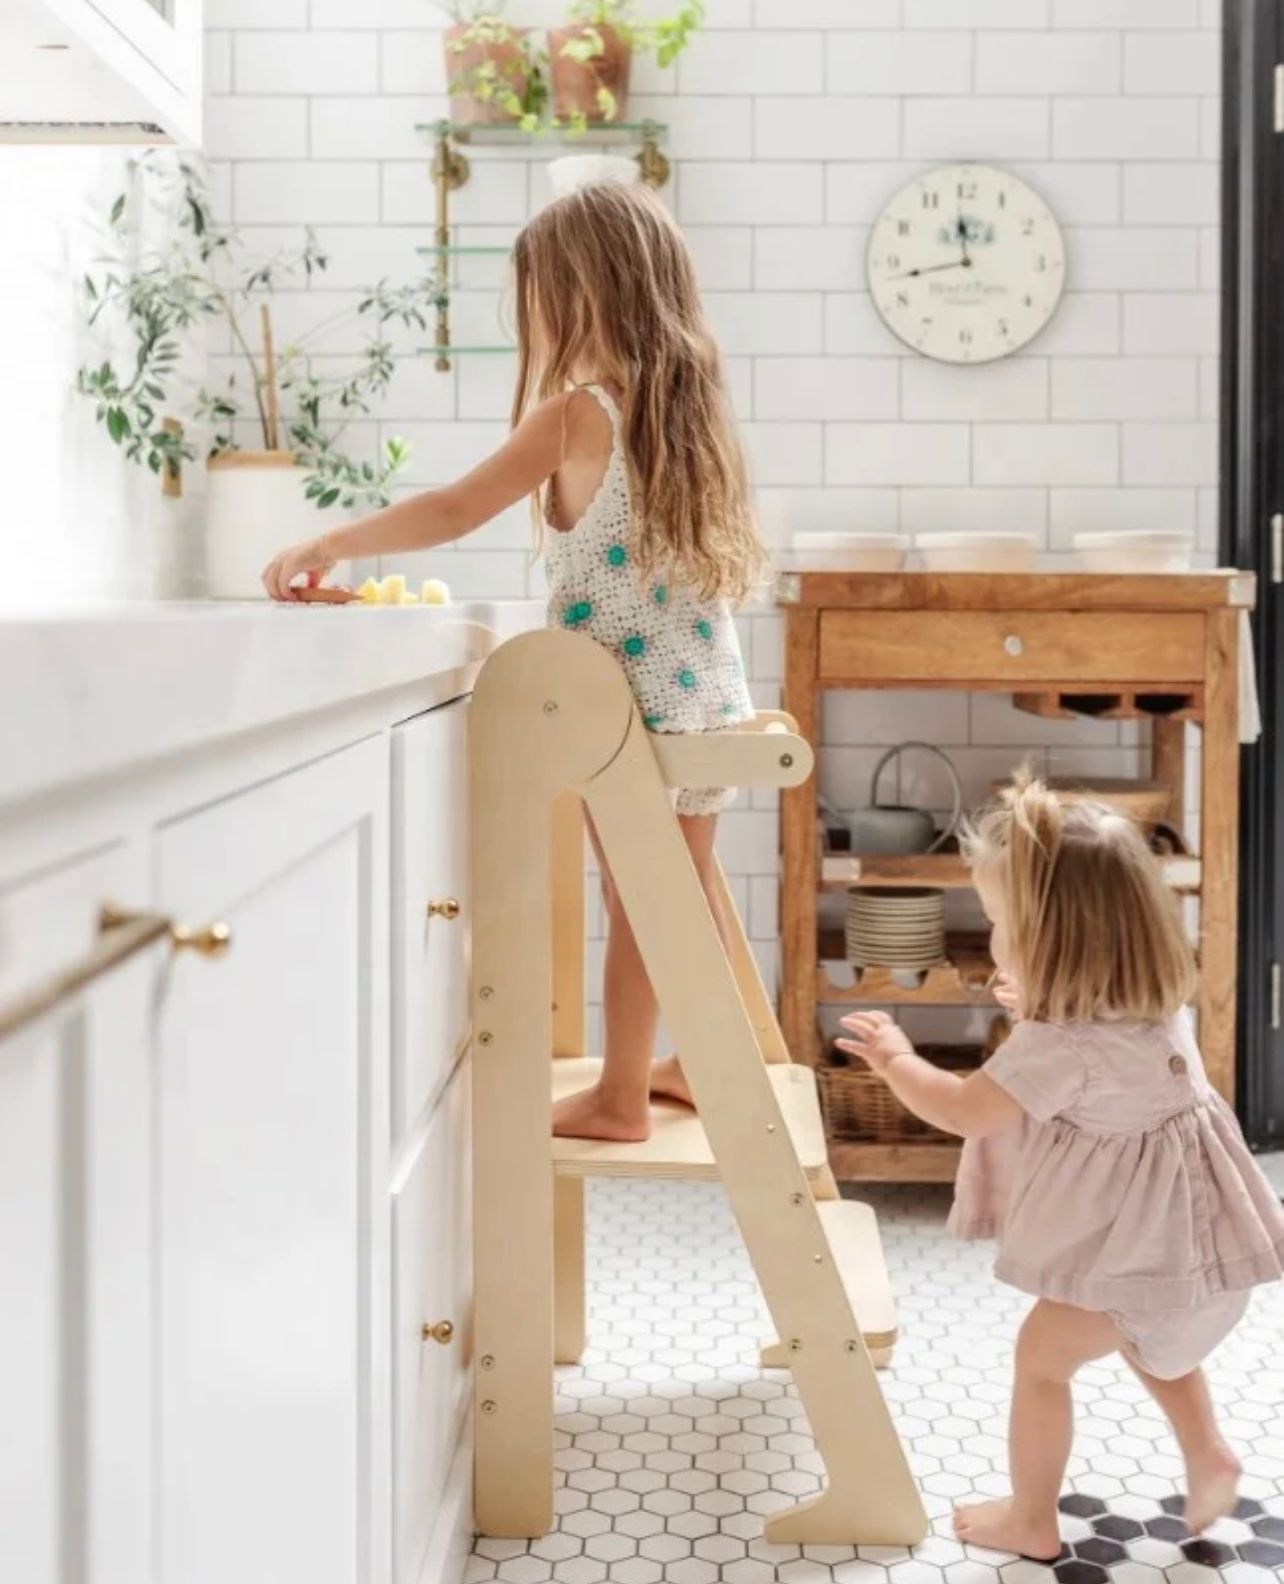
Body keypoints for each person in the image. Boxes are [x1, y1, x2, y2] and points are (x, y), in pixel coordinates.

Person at [261, 180, 764, 1143]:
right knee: (683, 891)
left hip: (628, 714)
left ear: (580, 294)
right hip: (703, 695)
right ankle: (696, 1060)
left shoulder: (578, 414)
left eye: (537, 295)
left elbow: (453, 509)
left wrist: (332, 542)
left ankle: (621, 1096)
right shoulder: (682, 406)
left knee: (638, 900)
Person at [838, 776, 1284, 1558]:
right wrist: (1031, 1008)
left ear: (1051, 941)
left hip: (1154, 1269)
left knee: (1040, 1365)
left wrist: (895, 1057)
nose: (992, 931)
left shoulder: (1059, 1047)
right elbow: (1091, 1060)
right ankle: (1208, 1453)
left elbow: (962, 1109)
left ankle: (1032, 1521)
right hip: (1205, 1273)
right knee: (1149, 1342)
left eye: (1000, 920)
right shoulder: (1155, 1009)